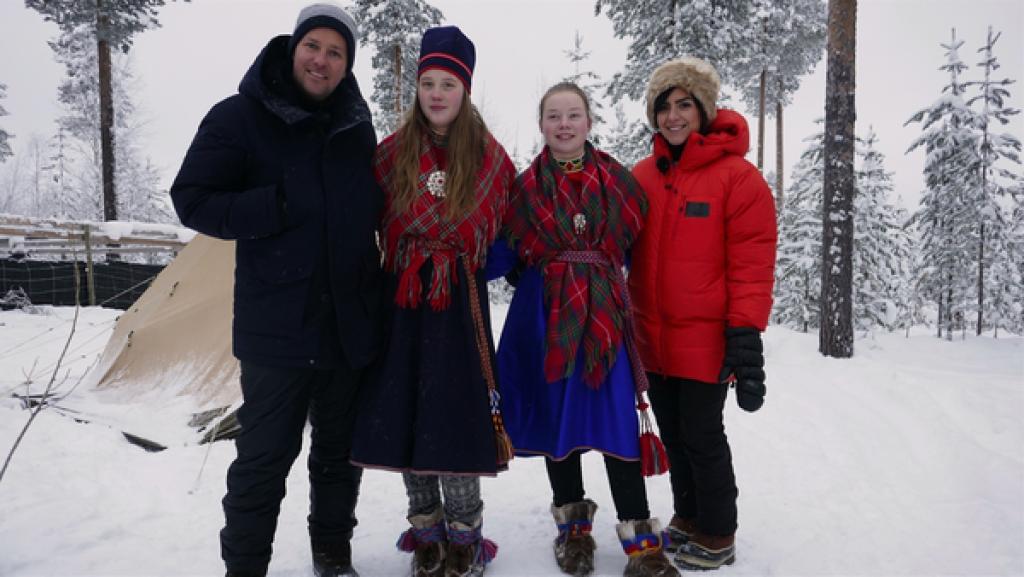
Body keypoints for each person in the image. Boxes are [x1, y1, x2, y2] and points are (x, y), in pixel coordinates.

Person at [169, 3, 383, 576]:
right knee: (264, 460)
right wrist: (274, 205)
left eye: (336, 53)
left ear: (346, 66)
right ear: (293, 50)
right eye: (314, 46)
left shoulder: (356, 127)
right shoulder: (240, 116)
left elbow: (377, 211)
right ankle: (245, 567)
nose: (322, 60)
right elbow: (191, 197)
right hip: (277, 328)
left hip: (346, 324)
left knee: (339, 456)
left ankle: (332, 553)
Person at [492, 82, 679, 577]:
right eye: (554, 116)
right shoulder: (524, 188)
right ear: (542, 125)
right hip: (544, 316)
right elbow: (505, 250)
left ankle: (642, 543)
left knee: (617, 421)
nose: (564, 124)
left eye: (573, 114)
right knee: (560, 422)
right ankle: (573, 530)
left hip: (604, 320)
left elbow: (640, 251)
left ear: (588, 121)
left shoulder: (619, 180)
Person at [349, 25, 516, 577]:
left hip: (459, 306)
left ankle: (465, 536)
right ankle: (426, 531)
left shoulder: (491, 160)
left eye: (448, 82)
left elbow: (507, 238)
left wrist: (464, 261)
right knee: (407, 414)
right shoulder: (389, 155)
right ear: (417, 88)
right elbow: (362, 222)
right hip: (402, 300)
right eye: (428, 82)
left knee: (456, 418)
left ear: (465, 89)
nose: (437, 93)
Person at [628, 57, 778, 570]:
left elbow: (752, 263)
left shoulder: (737, 178)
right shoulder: (642, 176)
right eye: (664, 106)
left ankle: (718, 531)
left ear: (704, 110)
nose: (673, 116)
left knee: (702, 435)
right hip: (652, 335)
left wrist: (744, 333)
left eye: (684, 105)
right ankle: (687, 517)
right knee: (672, 433)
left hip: (706, 339)